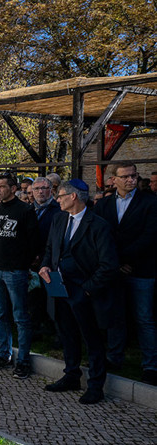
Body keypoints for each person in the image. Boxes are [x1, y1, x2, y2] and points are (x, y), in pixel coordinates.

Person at [40, 180, 119, 404]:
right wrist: (45, 265)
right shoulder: (58, 218)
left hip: (86, 293)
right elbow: (50, 249)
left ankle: (96, 386)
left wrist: (87, 290)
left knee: (92, 339)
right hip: (60, 288)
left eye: (61, 195)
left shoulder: (98, 225)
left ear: (73, 197)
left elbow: (109, 265)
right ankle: (71, 375)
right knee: (67, 335)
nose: (57, 199)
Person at [94, 162, 157, 385]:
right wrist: (116, 262)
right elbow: (101, 236)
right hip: (114, 269)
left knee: (144, 318)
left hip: (142, 269)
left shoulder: (150, 202)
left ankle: (150, 364)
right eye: (126, 176)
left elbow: (149, 236)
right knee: (115, 315)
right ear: (115, 179)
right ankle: (114, 357)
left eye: (134, 176)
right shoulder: (104, 205)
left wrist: (125, 259)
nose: (131, 180)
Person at [0, 173, 40, 379]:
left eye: (1, 187)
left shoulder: (25, 210)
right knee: (0, 314)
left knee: (20, 317)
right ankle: (4, 354)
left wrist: (22, 265)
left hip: (15, 271)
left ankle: (23, 360)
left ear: (13, 188)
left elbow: (34, 242)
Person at [29, 177, 62, 341]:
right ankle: (36, 329)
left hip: (51, 262)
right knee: (34, 298)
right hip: (31, 262)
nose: (40, 192)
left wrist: (43, 258)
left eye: (44, 188)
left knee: (55, 300)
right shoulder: (28, 210)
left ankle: (58, 333)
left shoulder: (59, 210)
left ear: (51, 190)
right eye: (37, 189)